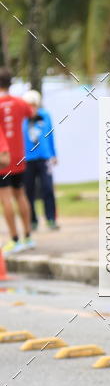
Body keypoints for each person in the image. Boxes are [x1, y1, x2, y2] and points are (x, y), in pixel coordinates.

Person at [0, 69, 36, 254]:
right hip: (19, 156)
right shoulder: (20, 102)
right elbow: (32, 114)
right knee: (20, 195)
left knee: (5, 198)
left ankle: (14, 239)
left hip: (2, 158)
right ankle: (28, 237)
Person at [22, 90, 59, 231]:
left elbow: (50, 135)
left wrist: (54, 154)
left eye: (34, 105)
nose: (32, 108)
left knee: (47, 188)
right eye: (29, 105)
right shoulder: (22, 118)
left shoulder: (45, 116)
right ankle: (32, 221)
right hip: (27, 159)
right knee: (28, 191)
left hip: (44, 157)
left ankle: (51, 219)